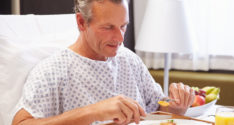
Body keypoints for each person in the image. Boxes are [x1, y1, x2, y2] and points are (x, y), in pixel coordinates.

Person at [12, 0, 195, 125]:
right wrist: (93, 112)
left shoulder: (129, 60)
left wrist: (177, 106)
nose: (119, 38)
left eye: (123, 26)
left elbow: (159, 111)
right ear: (81, 22)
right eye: (108, 28)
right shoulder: (52, 71)